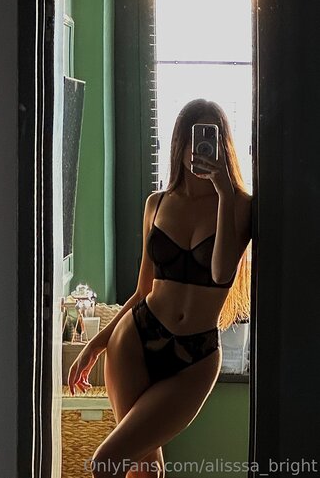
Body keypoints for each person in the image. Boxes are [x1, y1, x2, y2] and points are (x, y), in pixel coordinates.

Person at [67, 99, 252, 478]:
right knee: (143, 469)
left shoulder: (241, 206)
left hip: (196, 356)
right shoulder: (157, 203)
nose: (198, 149)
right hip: (135, 338)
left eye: (209, 138)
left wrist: (223, 193)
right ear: (179, 144)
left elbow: (221, 274)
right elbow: (142, 291)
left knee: (106, 462)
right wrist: (95, 345)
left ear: (222, 145)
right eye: (191, 138)